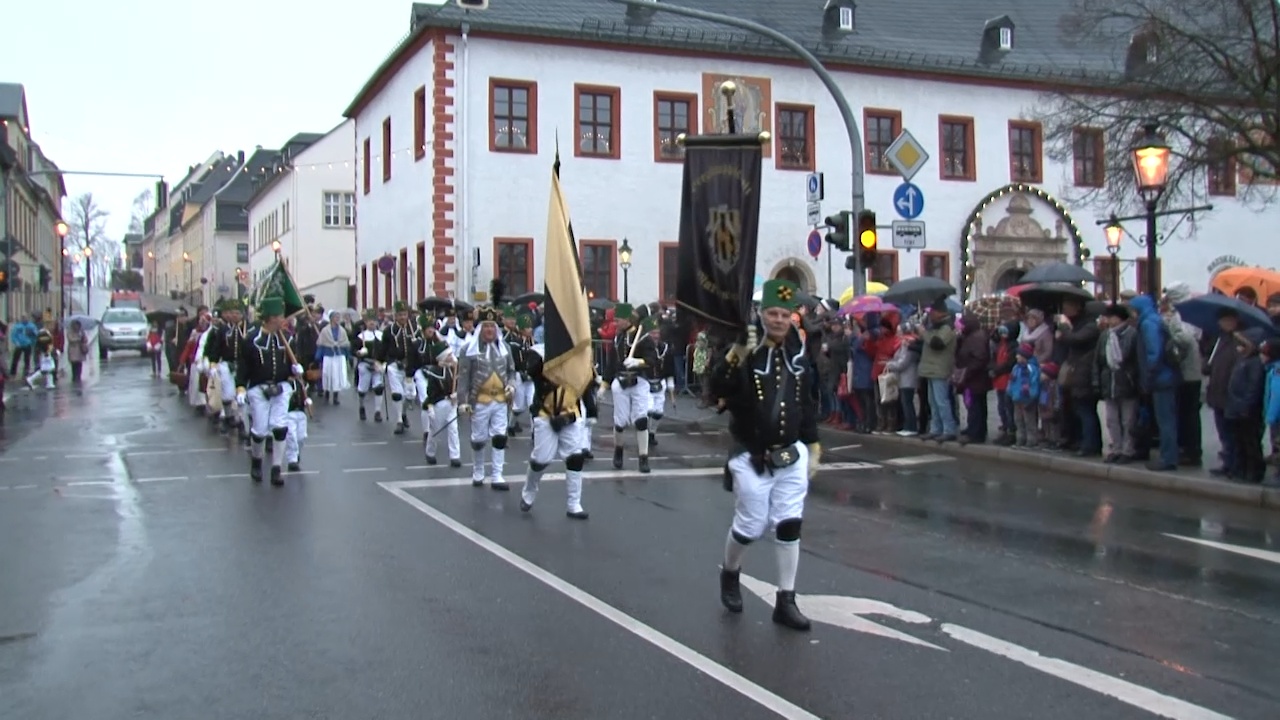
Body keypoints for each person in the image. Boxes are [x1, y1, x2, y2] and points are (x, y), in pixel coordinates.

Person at [711, 279, 821, 631]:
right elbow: (716, 387)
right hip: (751, 452)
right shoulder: (745, 346)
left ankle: (786, 600)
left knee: (790, 522)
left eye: (784, 315)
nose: (778, 320)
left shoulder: (798, 351)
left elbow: (805, 400)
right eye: (773, 313)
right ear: (761, 313)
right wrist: (737, 354)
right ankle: (730, 572)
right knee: (751, 526)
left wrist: (812, 443)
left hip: (791, 452)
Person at [235, 294, 305, 485]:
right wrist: (240, 387)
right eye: (280, 315)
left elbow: (291, 363)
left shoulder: (287, 339)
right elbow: (243, 367)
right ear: (271, 318)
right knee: (259, 430)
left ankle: (276, 468)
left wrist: (295, 369)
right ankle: (257, 461)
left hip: (281, 387)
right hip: (258, 388)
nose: (283, 319)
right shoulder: (251, 340)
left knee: (280, 427)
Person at [519, 342, 590, 519]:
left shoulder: (577, 353)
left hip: (571, 413)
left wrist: (591, 408)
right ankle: (529, 491)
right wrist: (553, 358)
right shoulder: (538, 352)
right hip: (546, 413)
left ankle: (574, 504)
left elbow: (586, 382)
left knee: (575, 457)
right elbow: (532, 371)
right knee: (541, 459)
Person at [456, 296, 517, 490]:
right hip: (480, 400)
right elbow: (463, 378)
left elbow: (511, 371)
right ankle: (478, 470)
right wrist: (462, 401)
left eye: (492, 326)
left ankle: (497, 474)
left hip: (500, 399)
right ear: (481, 329)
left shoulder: (505, 348)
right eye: (486, 326)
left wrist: (512, 386)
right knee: (479, 439)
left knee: (500, 436)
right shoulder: (468, 350)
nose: (489, 330)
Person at [604, 303, 659, 473]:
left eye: (618, 320)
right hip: (621, 382)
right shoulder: (618, 338)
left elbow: (652, 360)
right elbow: (611, 363)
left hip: (639, 381)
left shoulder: (644, 339)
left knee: (641, 420)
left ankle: (643, 457)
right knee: (620, 422)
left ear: (628, 320)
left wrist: (638, 362)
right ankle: (618, 451)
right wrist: (604, 384)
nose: (616, 323)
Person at [411, 313, 462, 468]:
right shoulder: (434, 373)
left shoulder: (455, 371)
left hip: (451, 403)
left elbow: (459, 385)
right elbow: (431, 393)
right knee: (435, 431)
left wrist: (457, 395)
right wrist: (430, 406)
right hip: (439, 404)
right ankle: (430, 452)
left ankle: (455, 456)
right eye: (449, 356)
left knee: (453, 429)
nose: (452, 358)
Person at [204, 298, 250, 436]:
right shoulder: (223, 329)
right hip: (227, 364)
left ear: (242, 314)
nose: (234, 315)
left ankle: (242, 422)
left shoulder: (249, 328)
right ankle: (229, 417)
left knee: (242, 396)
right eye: (232, 312)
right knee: (228, 395)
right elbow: (216, 348)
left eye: (237, 313)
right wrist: (213, 363)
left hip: (244, 366)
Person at [377, 301, 414, 434]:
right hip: (394, 365)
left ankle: (403, 413)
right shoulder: (389, 331)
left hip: (410, 366)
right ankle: (399, 420)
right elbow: (383, 348)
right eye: (400, 315)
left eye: (404, 314)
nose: (402, 317)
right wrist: (379, 362)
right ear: (395, 316)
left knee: (410, 395)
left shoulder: (413, 329)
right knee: (397, 394)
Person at [642, 315, 677, 448]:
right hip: (646, 383)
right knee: (649, 409)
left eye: (657, 333)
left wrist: (672, 393)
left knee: (658, 413)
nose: (655, 336)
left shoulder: (666, 349)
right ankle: (644, 433)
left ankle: (652, 434)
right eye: (652, 333)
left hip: (660, 384)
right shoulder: (642, 348)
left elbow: (670, 372)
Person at [353, 311, 385, 422]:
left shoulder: (381, 336)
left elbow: (385, 351)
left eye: (374, 321)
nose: (372, 323)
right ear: (366, 322)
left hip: (377, 365)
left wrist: (383, 363)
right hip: (365, 364)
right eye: (370, 321)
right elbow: (353, 350)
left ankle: (378, 411)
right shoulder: (361, 336)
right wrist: (359, 352)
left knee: (379, 388)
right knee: (363, 389)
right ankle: (361, 407)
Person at [316, 312, 351, 404]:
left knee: (337, 375)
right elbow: (321, 343)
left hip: (339, 355)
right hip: (328, 354)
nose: (338, 319)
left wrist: (347, 354)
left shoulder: (342, 330)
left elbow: (346, 342)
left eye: (338, 317)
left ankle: (336, 396)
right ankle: (327, 393)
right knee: (327, 374)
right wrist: (318, 356)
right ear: (331, 318)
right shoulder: (325, 331)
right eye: (336, 317)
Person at [283, 375, 312, 472]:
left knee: (301, 437)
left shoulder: (302, 383)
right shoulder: (286, 384)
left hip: (301, 412)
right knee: (291, 436)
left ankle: (296, 453)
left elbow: (306, 395)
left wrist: (307, 401)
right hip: (289, 413)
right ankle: (292, 460)